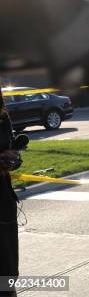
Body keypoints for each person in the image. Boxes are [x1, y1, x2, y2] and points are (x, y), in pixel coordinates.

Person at [0, 88, 20, 297]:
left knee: (8, 264)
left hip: (3, 197)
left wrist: (13, 158)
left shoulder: (3, 116)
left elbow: (10, 145)